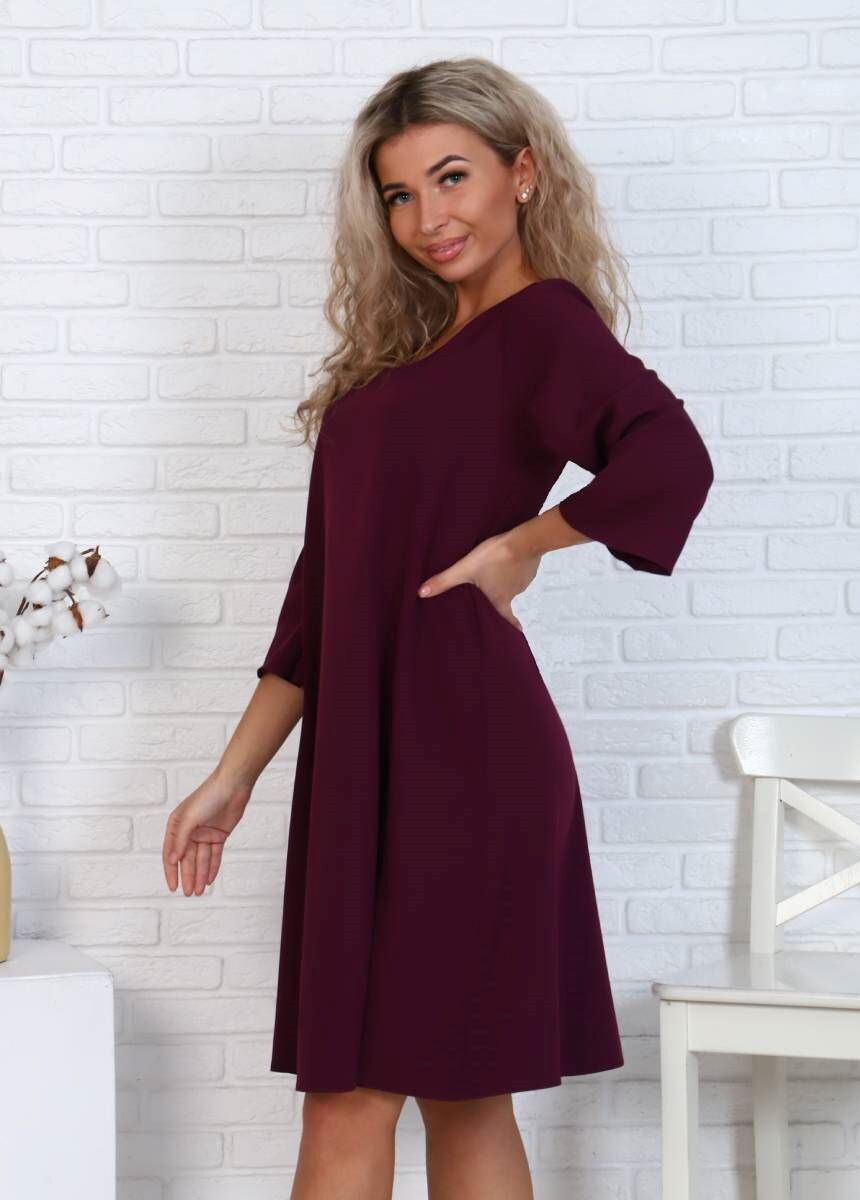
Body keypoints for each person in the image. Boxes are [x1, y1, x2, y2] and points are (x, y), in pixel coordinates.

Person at [162, 56, 714, 1200]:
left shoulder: (545, 324)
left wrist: (522, 543)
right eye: (400, 194)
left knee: (390, 1093)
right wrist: (233, 776)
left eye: (452, 177)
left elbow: (670, 457)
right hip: (360, 760)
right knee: (421, 1093)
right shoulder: (400, 362)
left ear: (523, 172)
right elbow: (320, 602)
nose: (428, 218)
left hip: (466, 752)